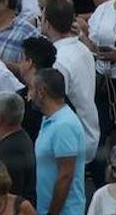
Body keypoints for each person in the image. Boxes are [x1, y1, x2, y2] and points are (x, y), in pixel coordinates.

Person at [31, 67, 85, 215]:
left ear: (41, 92)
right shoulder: (50, 120)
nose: (30, 95)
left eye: (32, 89)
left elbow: (65, 175)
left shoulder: (63, 125)